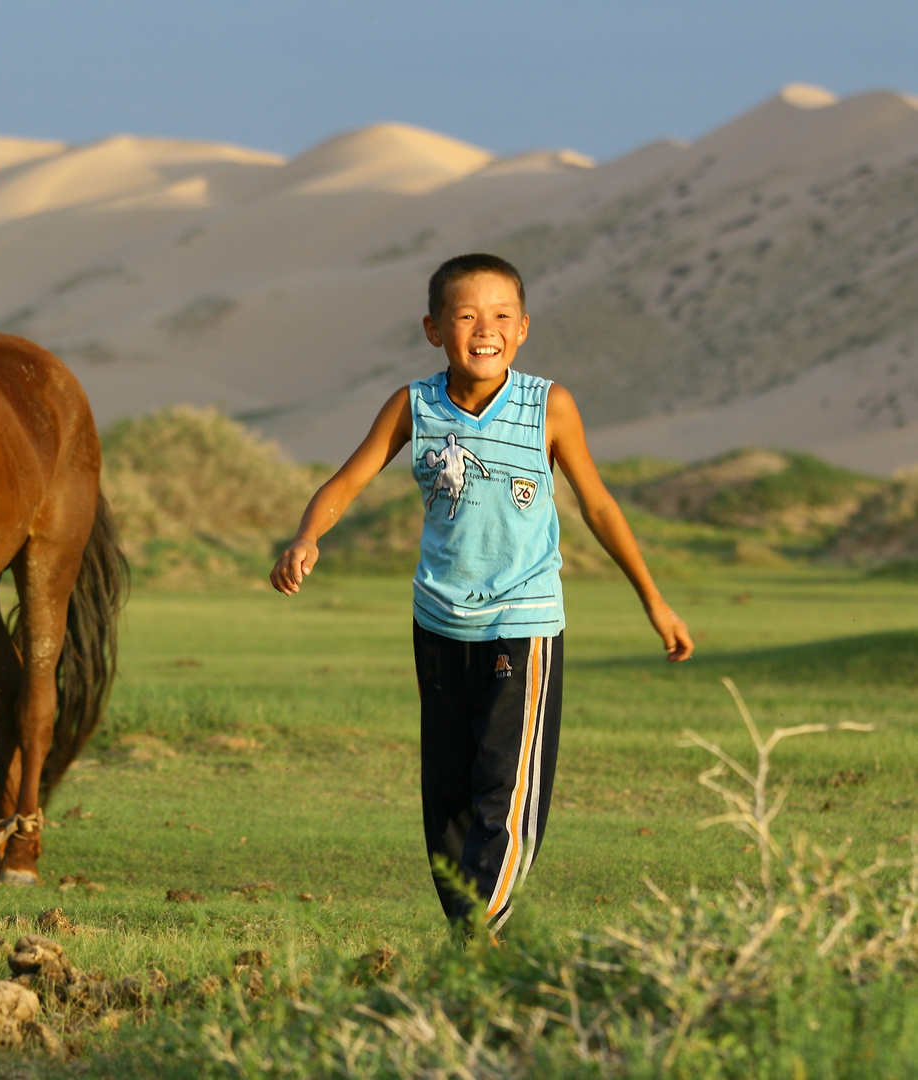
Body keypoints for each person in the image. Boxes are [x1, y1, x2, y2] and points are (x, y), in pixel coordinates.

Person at [270, 252, 694, 934]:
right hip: (437, 624)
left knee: (506, 788)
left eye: (501, 316)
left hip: (523, 624)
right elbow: (345, 483)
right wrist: (305, 537)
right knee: (447, 801)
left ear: (523, 328)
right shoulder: (412, 406)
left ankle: (478, 935)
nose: (484, 329)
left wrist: (653, 599)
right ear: (434, 328)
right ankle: (472, 940)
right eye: (466, 316)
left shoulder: (548, 405)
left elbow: (600, 507)